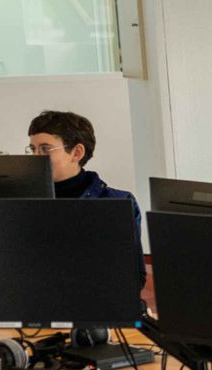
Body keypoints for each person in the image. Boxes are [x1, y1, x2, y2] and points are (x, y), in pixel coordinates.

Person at [28, 109, 143, 300]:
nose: (36, 157)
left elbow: (133, 276)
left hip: (95, 302)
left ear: (77, 153)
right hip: (35, 302)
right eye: (32, 149)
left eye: (45, 149)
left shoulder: (117, 203)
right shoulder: (23, 202)